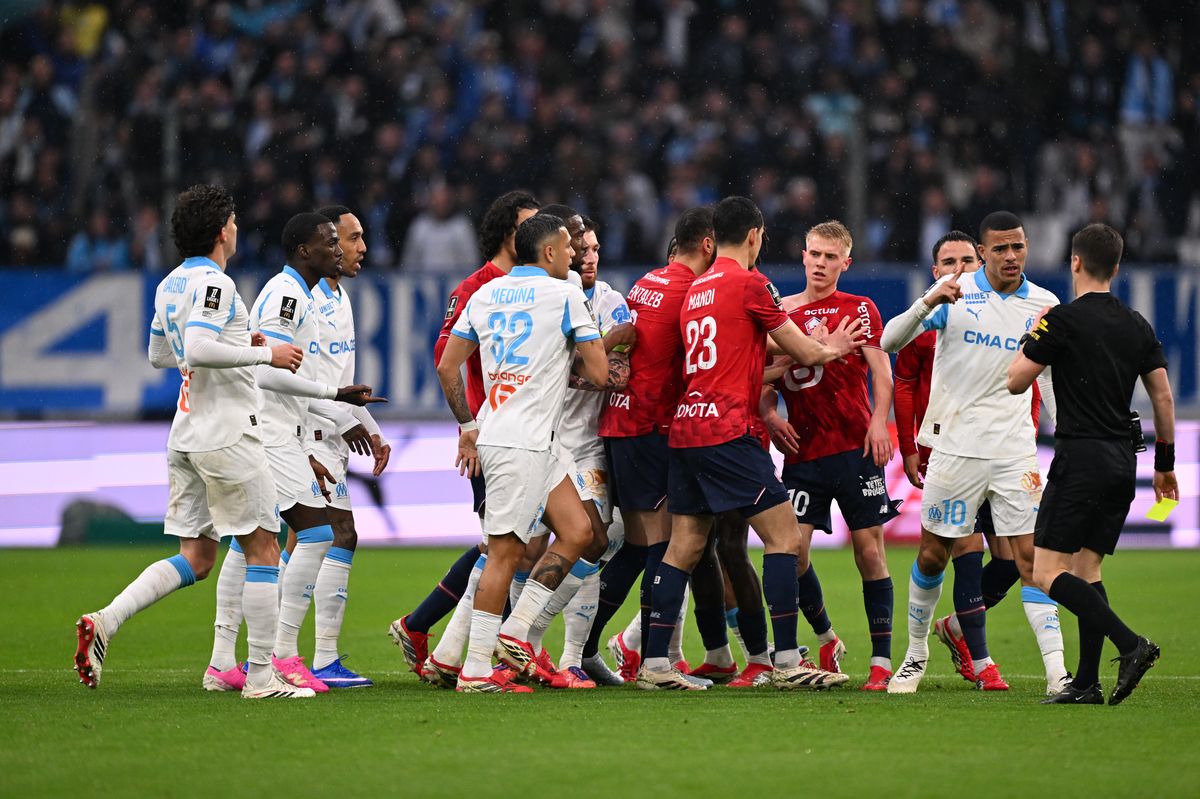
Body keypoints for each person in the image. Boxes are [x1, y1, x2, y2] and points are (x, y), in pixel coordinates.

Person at [73, 184, 311, 699]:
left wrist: (233, 342)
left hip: (186, 433)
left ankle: (106, 621)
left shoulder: (168, 285)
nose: (238, 227)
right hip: (227, 433)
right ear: (221, 228)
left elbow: (163, 354)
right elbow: (199, 348)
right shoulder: (216, 284)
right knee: (265, 547)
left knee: (199, 556)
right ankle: (263, 679)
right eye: (234, 220)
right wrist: (264, 354)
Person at [637, 195, 862, 691]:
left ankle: (654, 664)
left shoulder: (698, 288)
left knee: (687, 545)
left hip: (686, 428)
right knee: (783, 538)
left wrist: (772, 361)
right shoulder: (751, 283)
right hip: (726, 431)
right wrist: (835, 348)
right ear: (756, 236)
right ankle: (786, 660)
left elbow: (735, 352)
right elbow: (804, 349)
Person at [880, 211, 1067, 695]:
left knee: (1030, 560)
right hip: (955, 448)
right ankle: (915, 656)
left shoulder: (1045, 304)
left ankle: (1056, 673)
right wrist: (928, 299)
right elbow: (889, 341)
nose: (1011, 256)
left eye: (1018, 247)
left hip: (1014, 452)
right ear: (982, 252)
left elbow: (1046, 378)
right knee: (932, 554)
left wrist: (1065, 432)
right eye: (1000, 249)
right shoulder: (955, 293)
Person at [206, 212, 383, 696]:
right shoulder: (286, 295)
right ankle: (284, 655)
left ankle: (223, 661)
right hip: (271, 429)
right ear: (306, 251)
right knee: (319, 533)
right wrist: (335, 394)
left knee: (252, 540)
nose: (339, 250)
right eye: (331, 242)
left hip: (284, 429)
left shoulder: (301, 294)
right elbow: (265, 371)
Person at [436, 213, 609, 692]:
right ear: (549, 252)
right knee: (505, 556)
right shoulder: (566, 295)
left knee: (581, 532)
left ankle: (515, 634)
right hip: (521, 443)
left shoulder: (484, 295)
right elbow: (598, 374)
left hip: (519, 435)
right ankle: (474, 671)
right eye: (568, 249)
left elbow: (449, 366)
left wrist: (468, 426)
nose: (575, 255)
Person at [1007, 223, 1174, 705]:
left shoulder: (1060, 320)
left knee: (1047, 572)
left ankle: (1132, 644)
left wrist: (1031, 338)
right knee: (1087, 569)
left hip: (1080, 457)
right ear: (1117, 268)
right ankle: (1085, 683)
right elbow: (1161, 395)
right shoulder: (1137, 324)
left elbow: (1017, 380)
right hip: (1124, 458)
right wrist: (1165, 465)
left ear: (1074, 262)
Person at [390, 191, 540, 673]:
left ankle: (439, 639)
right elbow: (445, 361)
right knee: (506, 550)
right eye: (529, 228)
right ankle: (465, 654)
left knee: (511, 547)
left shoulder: (534, 282)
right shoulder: (476, 287)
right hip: (496, 438)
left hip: (532, 437)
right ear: (506, 234)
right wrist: (468, 427)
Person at [759, 220, 899, 691]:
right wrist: (772, 416)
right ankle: (825, 637)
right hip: (805, 453)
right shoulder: (780, 314)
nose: (820, 264)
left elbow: (882, 372)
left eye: (830, 257)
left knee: (869, 553)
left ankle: (881, 662)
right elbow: (764, 379)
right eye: (814, 254)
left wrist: (880, 421)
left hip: (856, 449)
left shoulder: (860, 308)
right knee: (793, 554)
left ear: (846, 263)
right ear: (803, 255)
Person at [897, 232, 1035, 685]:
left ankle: (954, 627)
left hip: (1005, 448)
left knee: (1013, 559)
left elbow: (1027, 379)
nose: (960, 268)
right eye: (948, 261)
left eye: (967, 260)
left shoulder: (1010, 312)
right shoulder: (932, 314)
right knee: (964, 550)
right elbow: (903, 382)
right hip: (952, 448)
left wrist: (1028, 430)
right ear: (935, 270)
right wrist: (910, 446)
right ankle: (980, 660)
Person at [587, 211, 716, 685]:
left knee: (640, 547)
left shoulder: (648, 281)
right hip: (651, 425)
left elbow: (635, 339)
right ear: (706, 245)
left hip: (622, 421)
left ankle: (585, 647)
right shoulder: (691, 291)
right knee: (669, 546)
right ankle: (656, 663)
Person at [301, 203, 392, 687]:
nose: (360, 249)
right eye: (351, 239)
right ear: (325, 244)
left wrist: (369, 425)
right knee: (338, 535)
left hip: (330, 430)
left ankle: (281, 657)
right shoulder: (305, 298)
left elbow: (341, 380)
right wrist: (336, 422)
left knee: (300, 543)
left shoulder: (339, 297)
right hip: (306, 433)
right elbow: (296, 378)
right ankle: (318, 659)